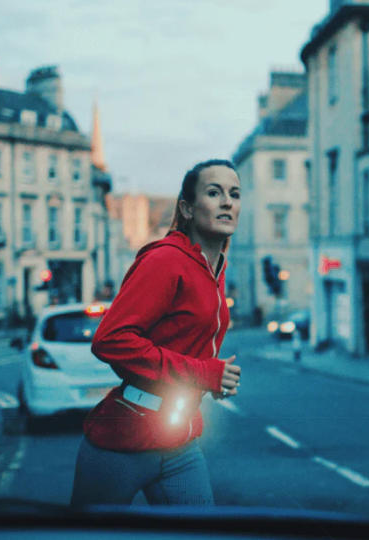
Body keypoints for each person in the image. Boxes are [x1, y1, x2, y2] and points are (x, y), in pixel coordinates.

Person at [71, 159, 242, 506]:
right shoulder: (165, 260)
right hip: (126, 438)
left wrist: (209, 381)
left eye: (234, 194)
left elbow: (183, 340)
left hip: (180, 438)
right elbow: (110, 340)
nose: (227, 202)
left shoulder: (216, 269)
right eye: (214, 192)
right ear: (187, 208)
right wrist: (203, 373)